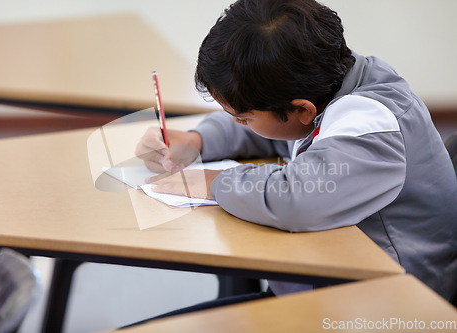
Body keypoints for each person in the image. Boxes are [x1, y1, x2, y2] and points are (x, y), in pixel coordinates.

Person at [135, 0, 457, 320]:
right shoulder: (325, 77)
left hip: (384, 308)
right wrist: (198, 141)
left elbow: (298, 198)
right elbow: (276, 126)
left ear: (303, 109)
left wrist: (214, 182)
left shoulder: (373, 126)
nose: (238, 123)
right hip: (329, 282)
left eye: (242, 118)